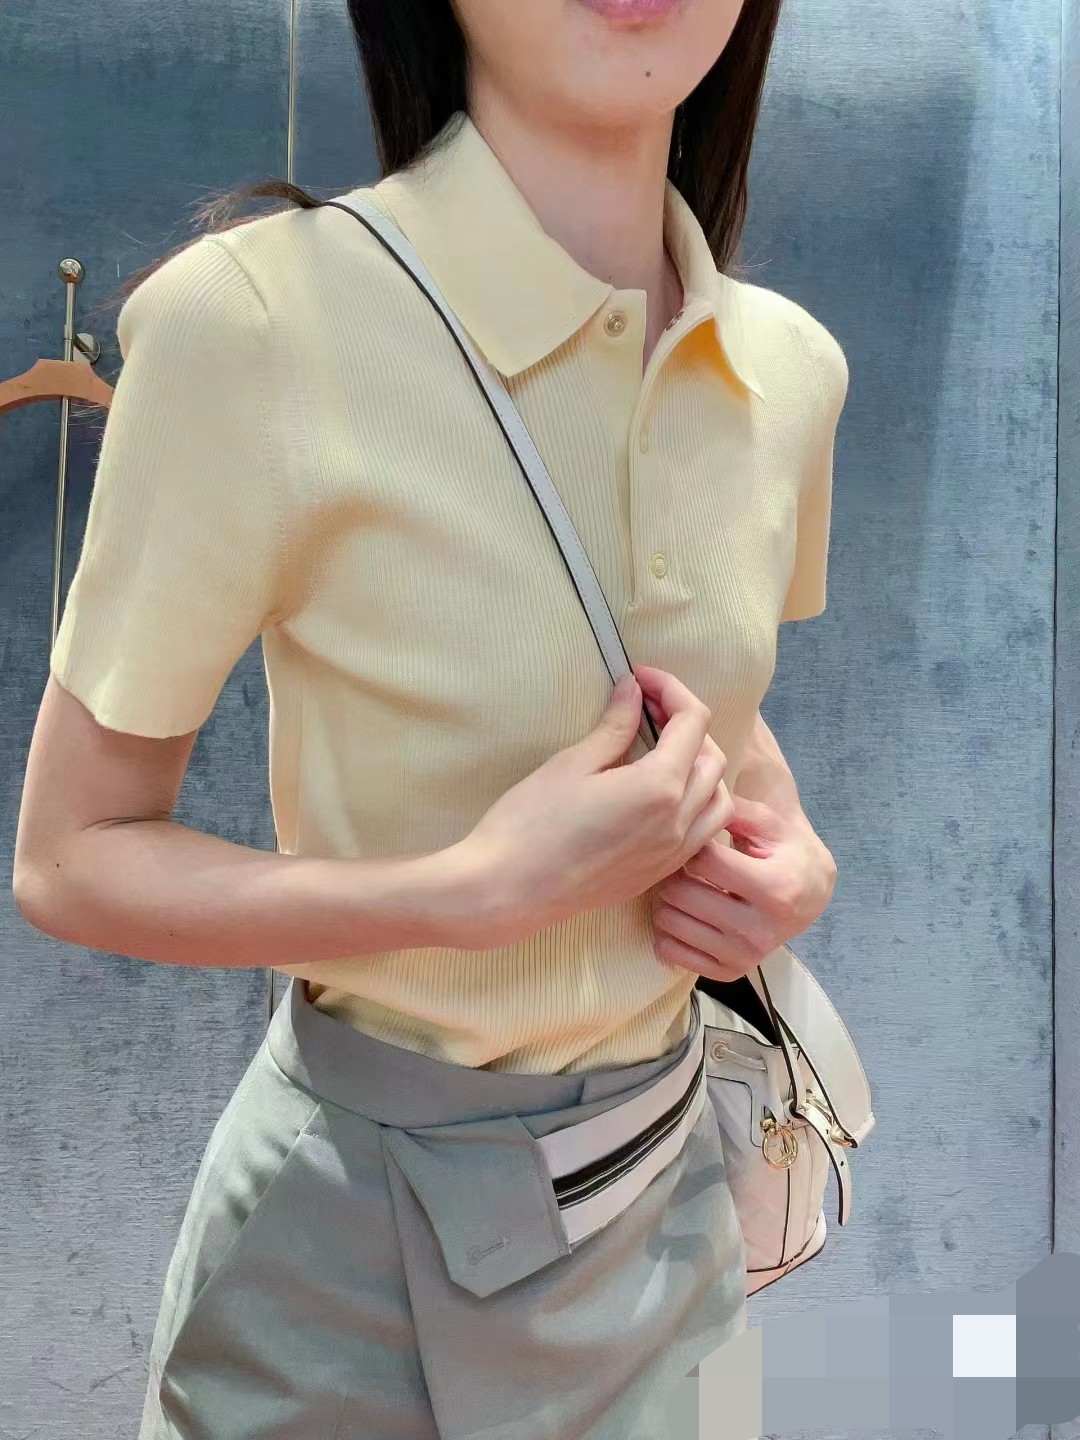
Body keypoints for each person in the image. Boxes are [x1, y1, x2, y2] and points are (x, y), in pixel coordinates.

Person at [12, 0, 848, 1435]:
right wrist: (467, 895)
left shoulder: (787, 369)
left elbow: (722, 709)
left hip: (666, 1230)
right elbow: (68, 858)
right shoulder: (255, 321)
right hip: (345, 1267)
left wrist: (798, 865)